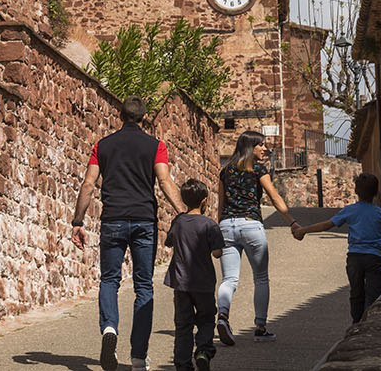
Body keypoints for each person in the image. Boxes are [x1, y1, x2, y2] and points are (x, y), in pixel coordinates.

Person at [71, 95, 187, 371]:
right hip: (144, 221)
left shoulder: (102, 145)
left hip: (113, 220)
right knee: (143, 286)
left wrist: (78, 221)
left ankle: (109, 328)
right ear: (145, 118)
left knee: (110, 279)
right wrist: (183, 212)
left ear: (119, 116)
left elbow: (88, 184)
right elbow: (164, 180)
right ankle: (138, 357)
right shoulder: (156, 146)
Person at [214, 130, 298, 345]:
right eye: (261, 145)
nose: (265, 149)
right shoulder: (258, 169)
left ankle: (222, 316)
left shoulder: (225, 171)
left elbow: (220, 205)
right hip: (251, 224)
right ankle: (260, 328)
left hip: (227, 226)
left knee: (229, 279)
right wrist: (291, 221)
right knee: (260, 278)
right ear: (251, 147)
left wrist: (217, 233)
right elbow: (274, 196)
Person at [292, 172, 381, 323]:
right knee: (374, 294)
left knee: (356, 293)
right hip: (375, 258)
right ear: (376, 192)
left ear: (356, 191)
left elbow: (327, 225)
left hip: (355, 258)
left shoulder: (350, 210)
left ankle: (356, 323)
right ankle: (370, 322)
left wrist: (303, 230)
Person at [163, 178, 224, 371]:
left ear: (183, 199)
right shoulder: (210, 225)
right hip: (204, 283)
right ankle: (203, 351)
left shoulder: (179, 222)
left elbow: (169, 242)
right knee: (206, 319)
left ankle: (183, 364)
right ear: (205, 200)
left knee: (183, 325)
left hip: (181, 284)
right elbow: (217, 253)